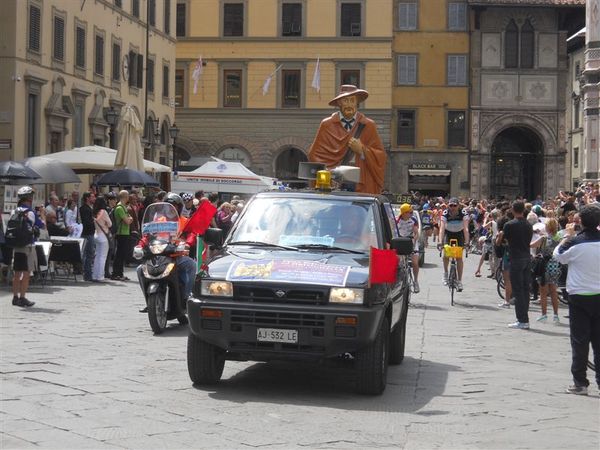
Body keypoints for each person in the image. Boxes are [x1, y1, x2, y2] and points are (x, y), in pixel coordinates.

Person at [553, 204, 600, 395]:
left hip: (579, 296)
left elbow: (558, 257)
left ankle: (580, 383)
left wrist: (566, 236)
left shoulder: (574, 242)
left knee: (579, 341)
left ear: (579, 221)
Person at [308, 84, 387, 194]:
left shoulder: (368, 125)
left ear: (357, 102)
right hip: (333, 181)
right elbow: (314, 155)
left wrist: (362, 150)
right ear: (339, 103)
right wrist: (330, 172)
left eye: (352, 100)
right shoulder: (327, 124)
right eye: (345, 101)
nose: (349, 104)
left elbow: (381, 156)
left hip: (359, 180)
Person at [136, 193, 197, 313]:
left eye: (174, 205)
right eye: (169, 205)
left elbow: (192, 234)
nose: (171, 208)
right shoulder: (158, 221)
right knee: (139, 270)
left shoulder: (184, 221)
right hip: (157, 254)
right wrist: (140, 245)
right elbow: (147, 235)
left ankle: (186, 296)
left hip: (175, 255)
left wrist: (188, 243)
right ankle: (149, 301)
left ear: (179, 207)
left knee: (191, 265)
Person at [10, 186, 44, 307]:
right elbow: (42, 225)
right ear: (29, 198)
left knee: (17, 272)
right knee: (26, 273)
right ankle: (23, 297)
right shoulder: (30, 212)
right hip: (28, 245)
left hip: (17, 245)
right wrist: (42, 213)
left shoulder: (14, 211)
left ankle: (15, 297)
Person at [501, 201, 533, 330]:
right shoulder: (528, 224)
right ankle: (525, 318)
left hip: (516, 258)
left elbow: (503, 240)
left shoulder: (509, 225)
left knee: (518, 290)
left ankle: (522, 320)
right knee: (525, 289)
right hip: (526, 257)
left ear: (513, 210)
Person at [438, 198, 469, 291]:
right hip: (449, 233)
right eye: (450, 205)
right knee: (446, 254)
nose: (452, 207)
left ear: (458, 206)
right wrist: (440, 241)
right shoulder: (445, 213)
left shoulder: (463, 213)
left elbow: (466, 229)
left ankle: (459, 281)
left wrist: (467, 242)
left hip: (459, 234)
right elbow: (442, 229)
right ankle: (446, 274)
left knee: (459, 257)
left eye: (454, 205)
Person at [396, 203, 420, 293]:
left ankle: (416, 281)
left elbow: (416, 233)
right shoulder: (396, 220)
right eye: (409, 212)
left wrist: (414, 240)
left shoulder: (413, 219)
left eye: (412, 212)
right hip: (400, 241)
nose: (411, 214)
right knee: (397, 263)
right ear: (404, 213)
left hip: (411, 241)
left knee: (415, 262)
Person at [111, 190, 133, 281]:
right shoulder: (120, 208)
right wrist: (129, 219)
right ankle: (116, 273)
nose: (129, 198)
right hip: (121, 233)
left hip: (125, 233)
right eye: (128, 196)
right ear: (125, 197)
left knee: (122, 254)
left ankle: (120, 273)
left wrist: (129, 219)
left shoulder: (124, 207)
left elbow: (129, 219)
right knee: (119, 255)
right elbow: (128, 221)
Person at [92, 196, 112, 282]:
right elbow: (110, 224)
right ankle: (100, 276)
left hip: (96, 234)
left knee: (97, 256)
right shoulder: (103, 212)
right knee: (102, 257)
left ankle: (95, 275)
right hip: (103, 235)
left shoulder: (94, 212)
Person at [80, 191, 97, 282]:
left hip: (89, 233)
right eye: (92, 197)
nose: (94, 198)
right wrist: (93, 222)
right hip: (87, 233)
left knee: (89, 254)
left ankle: (88, 274)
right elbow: (86, 222)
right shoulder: (85, 209)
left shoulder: (88, 208)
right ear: (87, 198)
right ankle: (87, 275)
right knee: (89, 254)